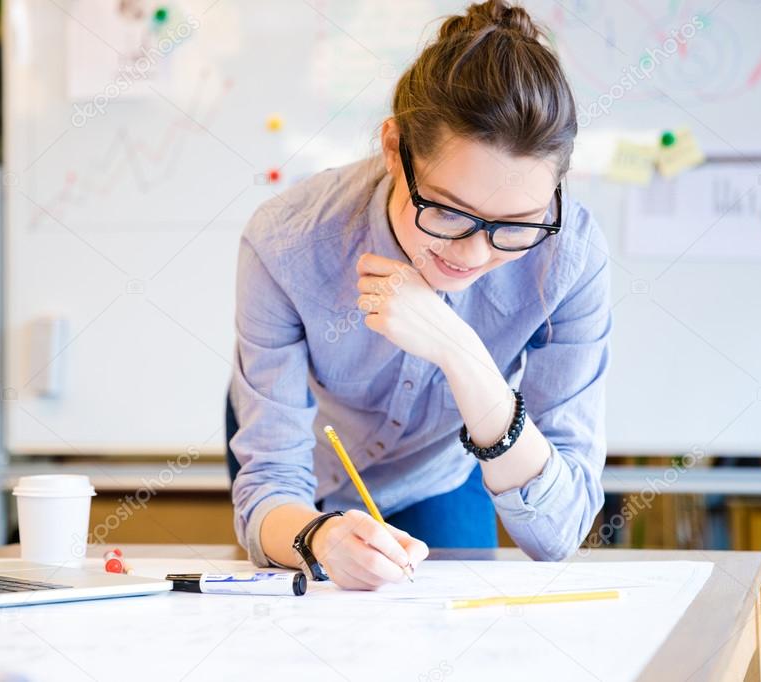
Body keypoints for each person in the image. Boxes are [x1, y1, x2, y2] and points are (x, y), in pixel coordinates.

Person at [227, 0, 611, 590]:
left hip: (440, 465)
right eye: (449, 213)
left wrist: (459, 350)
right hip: (304, 458)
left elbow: (558, 535)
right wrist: (317, 536)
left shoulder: (569, 257)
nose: (476, 254)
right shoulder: (287, 243)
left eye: (517, 224)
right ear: (393, 148)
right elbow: (272, 484)